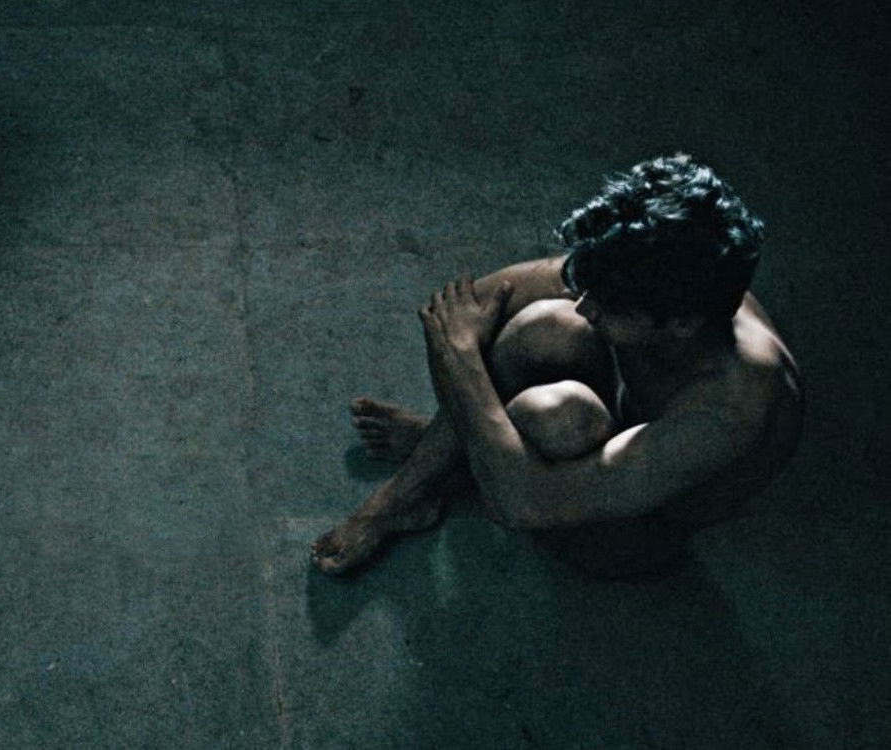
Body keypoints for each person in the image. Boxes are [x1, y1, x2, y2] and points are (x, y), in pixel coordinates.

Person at [310, 153, 803, 579]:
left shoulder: (731, 409)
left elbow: (524, 503)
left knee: (560, 416)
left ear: (682, 324)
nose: (586, 305)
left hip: (626, 527)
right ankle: (418, 485)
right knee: (546, 326)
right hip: (616, 432)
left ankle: (454, 465)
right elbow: (463, 308)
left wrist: (463, 361)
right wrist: (460, 347)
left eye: (608, 305)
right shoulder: (662, 271)